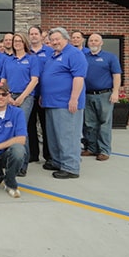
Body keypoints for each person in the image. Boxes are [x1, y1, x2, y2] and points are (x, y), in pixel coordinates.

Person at [40, 27, 88, 179]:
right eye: (52, 40)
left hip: (66, 103)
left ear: (66, 39)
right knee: (54, 136)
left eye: (57, 39)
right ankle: (58, 161)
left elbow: (79, 77)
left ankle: (70, 167)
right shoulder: (53, 56)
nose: (54, 42)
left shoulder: (74, 54)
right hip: (51, 102)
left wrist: (74, 98)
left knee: (67, 135)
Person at [1, 32, 40, 176]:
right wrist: (8, 96)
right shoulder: (8, 60)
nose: (16, 43)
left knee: (21, 128)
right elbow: (3, 80)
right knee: (9, 129)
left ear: (24, 42)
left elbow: (34, 80)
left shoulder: (32, 59)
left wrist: (22, 97)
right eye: (14, 41)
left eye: (19, 41)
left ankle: (23, 164)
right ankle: (12, 160)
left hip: (26, 97)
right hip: (9, 97)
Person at [82, 33, 122, 160]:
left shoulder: (110, 57)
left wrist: (115, 92)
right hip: (88, 95)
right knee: (89, 124)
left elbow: (116, 75)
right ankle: (92, 148)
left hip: (104, 95)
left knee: (104, 123)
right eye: (91, 40)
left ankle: (104, 151)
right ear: (88, 43)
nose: (93, 42)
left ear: (101, 43)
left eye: (96, 40)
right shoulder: (83, 57)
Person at [27, 25, 53, 163]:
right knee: (30, 125)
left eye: (36, 33)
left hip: (45, 94)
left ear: (40, 35)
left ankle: (48, 155)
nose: (33, 36)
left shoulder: (49, 52)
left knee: (45, 125)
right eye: (31, 34)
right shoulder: (27, 52)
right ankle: (33, 154)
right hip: (30, 94)